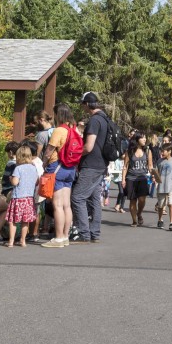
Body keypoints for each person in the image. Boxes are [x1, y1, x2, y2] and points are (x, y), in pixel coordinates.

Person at [70, 92, 112, 243]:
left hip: (91, 165)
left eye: (82, 104)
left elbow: (88, 147)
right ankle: (95, 233)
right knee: (94, 199)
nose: (82, 107)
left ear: (87, 104)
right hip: (101, 165)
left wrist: (73, 153)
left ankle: (84, 234)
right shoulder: (105, 118)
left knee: (77, 197)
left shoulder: (94, 121)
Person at [40, 143, 77, 247]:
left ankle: (58, 238)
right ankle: (65, 236)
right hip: (70, 168)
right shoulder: (74, 131)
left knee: (58, 205)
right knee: (67, 205)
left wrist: (44, 164)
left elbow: (48, 152)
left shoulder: (60, 131)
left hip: (58, 167)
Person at [3, 143, 40, 247]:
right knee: (25, 221)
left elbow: (15, 182)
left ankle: (11, 241)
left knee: (13, 221)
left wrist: (11, 178)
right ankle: (23, 241)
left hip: (18, 198)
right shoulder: (33, 168)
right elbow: (37, 181)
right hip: (29, 198)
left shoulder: (18, 168)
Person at [123, 132, 153, 227]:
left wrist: (154, 175)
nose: (145, 140)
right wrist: (123, 179)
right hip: (131, 178)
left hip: (142, 178)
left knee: (142, 200)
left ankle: (139, 213)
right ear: (137, 140)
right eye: (142, 138)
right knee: (132, 200)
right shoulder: (130, 151)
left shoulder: (148, 151)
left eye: (145, 138)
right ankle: (134, 220)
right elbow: (125, 166)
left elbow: (150, 166)